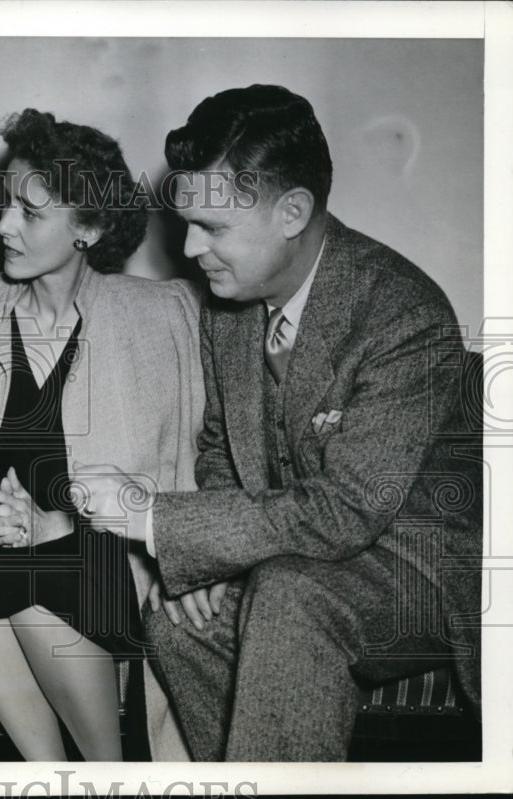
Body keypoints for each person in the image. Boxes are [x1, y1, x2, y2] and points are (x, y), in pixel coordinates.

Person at [73, 84, 482, 761]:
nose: (190, 247)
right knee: (178, 618)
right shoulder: (229, 307)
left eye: (213, 227)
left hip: (417, 570)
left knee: (290, 595)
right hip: (298, 559)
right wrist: (202, 562)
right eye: (185, 222)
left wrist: (156, 519)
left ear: (293, 211)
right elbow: (219, 453)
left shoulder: (402, 314)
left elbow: (348, 510)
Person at [0, 109, 204, 760]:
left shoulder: (157, 318)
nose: (3, 227)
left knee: (26, 564)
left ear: (89, 226)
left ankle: (106, 766)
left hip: (110, 560)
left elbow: (175, 474)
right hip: (0, 560)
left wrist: (51, 524)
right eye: (5, 207)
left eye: (30, 212)